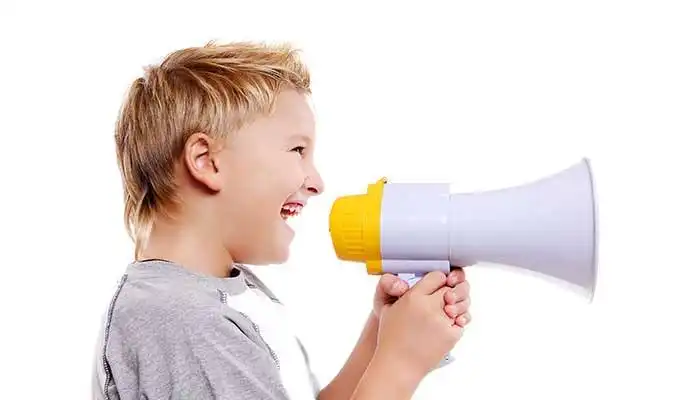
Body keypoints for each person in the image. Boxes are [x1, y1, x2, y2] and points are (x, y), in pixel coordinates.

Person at [92, 41, 472, 400]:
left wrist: (380, 337)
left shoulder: (217, 300)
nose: (317, 183)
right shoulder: (180, 319)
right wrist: (400, 364)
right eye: (297, 150)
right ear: (207, 162)